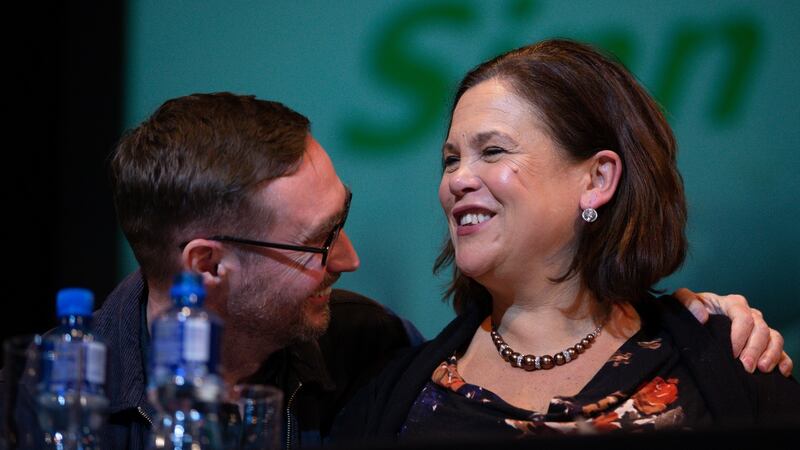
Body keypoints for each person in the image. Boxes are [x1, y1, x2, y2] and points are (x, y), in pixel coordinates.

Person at [1, 92, 789, 449]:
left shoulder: (366, 351)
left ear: (598, 178)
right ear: (207, 267)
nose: (350, 259)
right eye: (319, 242)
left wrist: (707, 330)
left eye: (494, 151)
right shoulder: (39, 406)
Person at [331, 39, 800, 445]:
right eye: (451, 159)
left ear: (597, 179)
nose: (457, 179)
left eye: (492, 151)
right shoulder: (392, 395)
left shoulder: (724, 363)